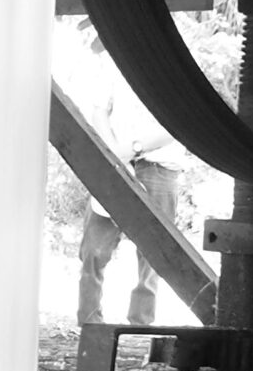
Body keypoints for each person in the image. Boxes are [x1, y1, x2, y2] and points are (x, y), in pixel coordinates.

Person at [67, 22, 184, 327]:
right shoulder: (115, 67)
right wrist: (116, 151)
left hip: (159, 167)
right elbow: (99, 112)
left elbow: (177, 126)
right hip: (118, 162)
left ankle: (141, 324)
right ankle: (89, 322)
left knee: (153, 254)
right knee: (94, 248)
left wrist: (133, 148)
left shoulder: (172, 68)